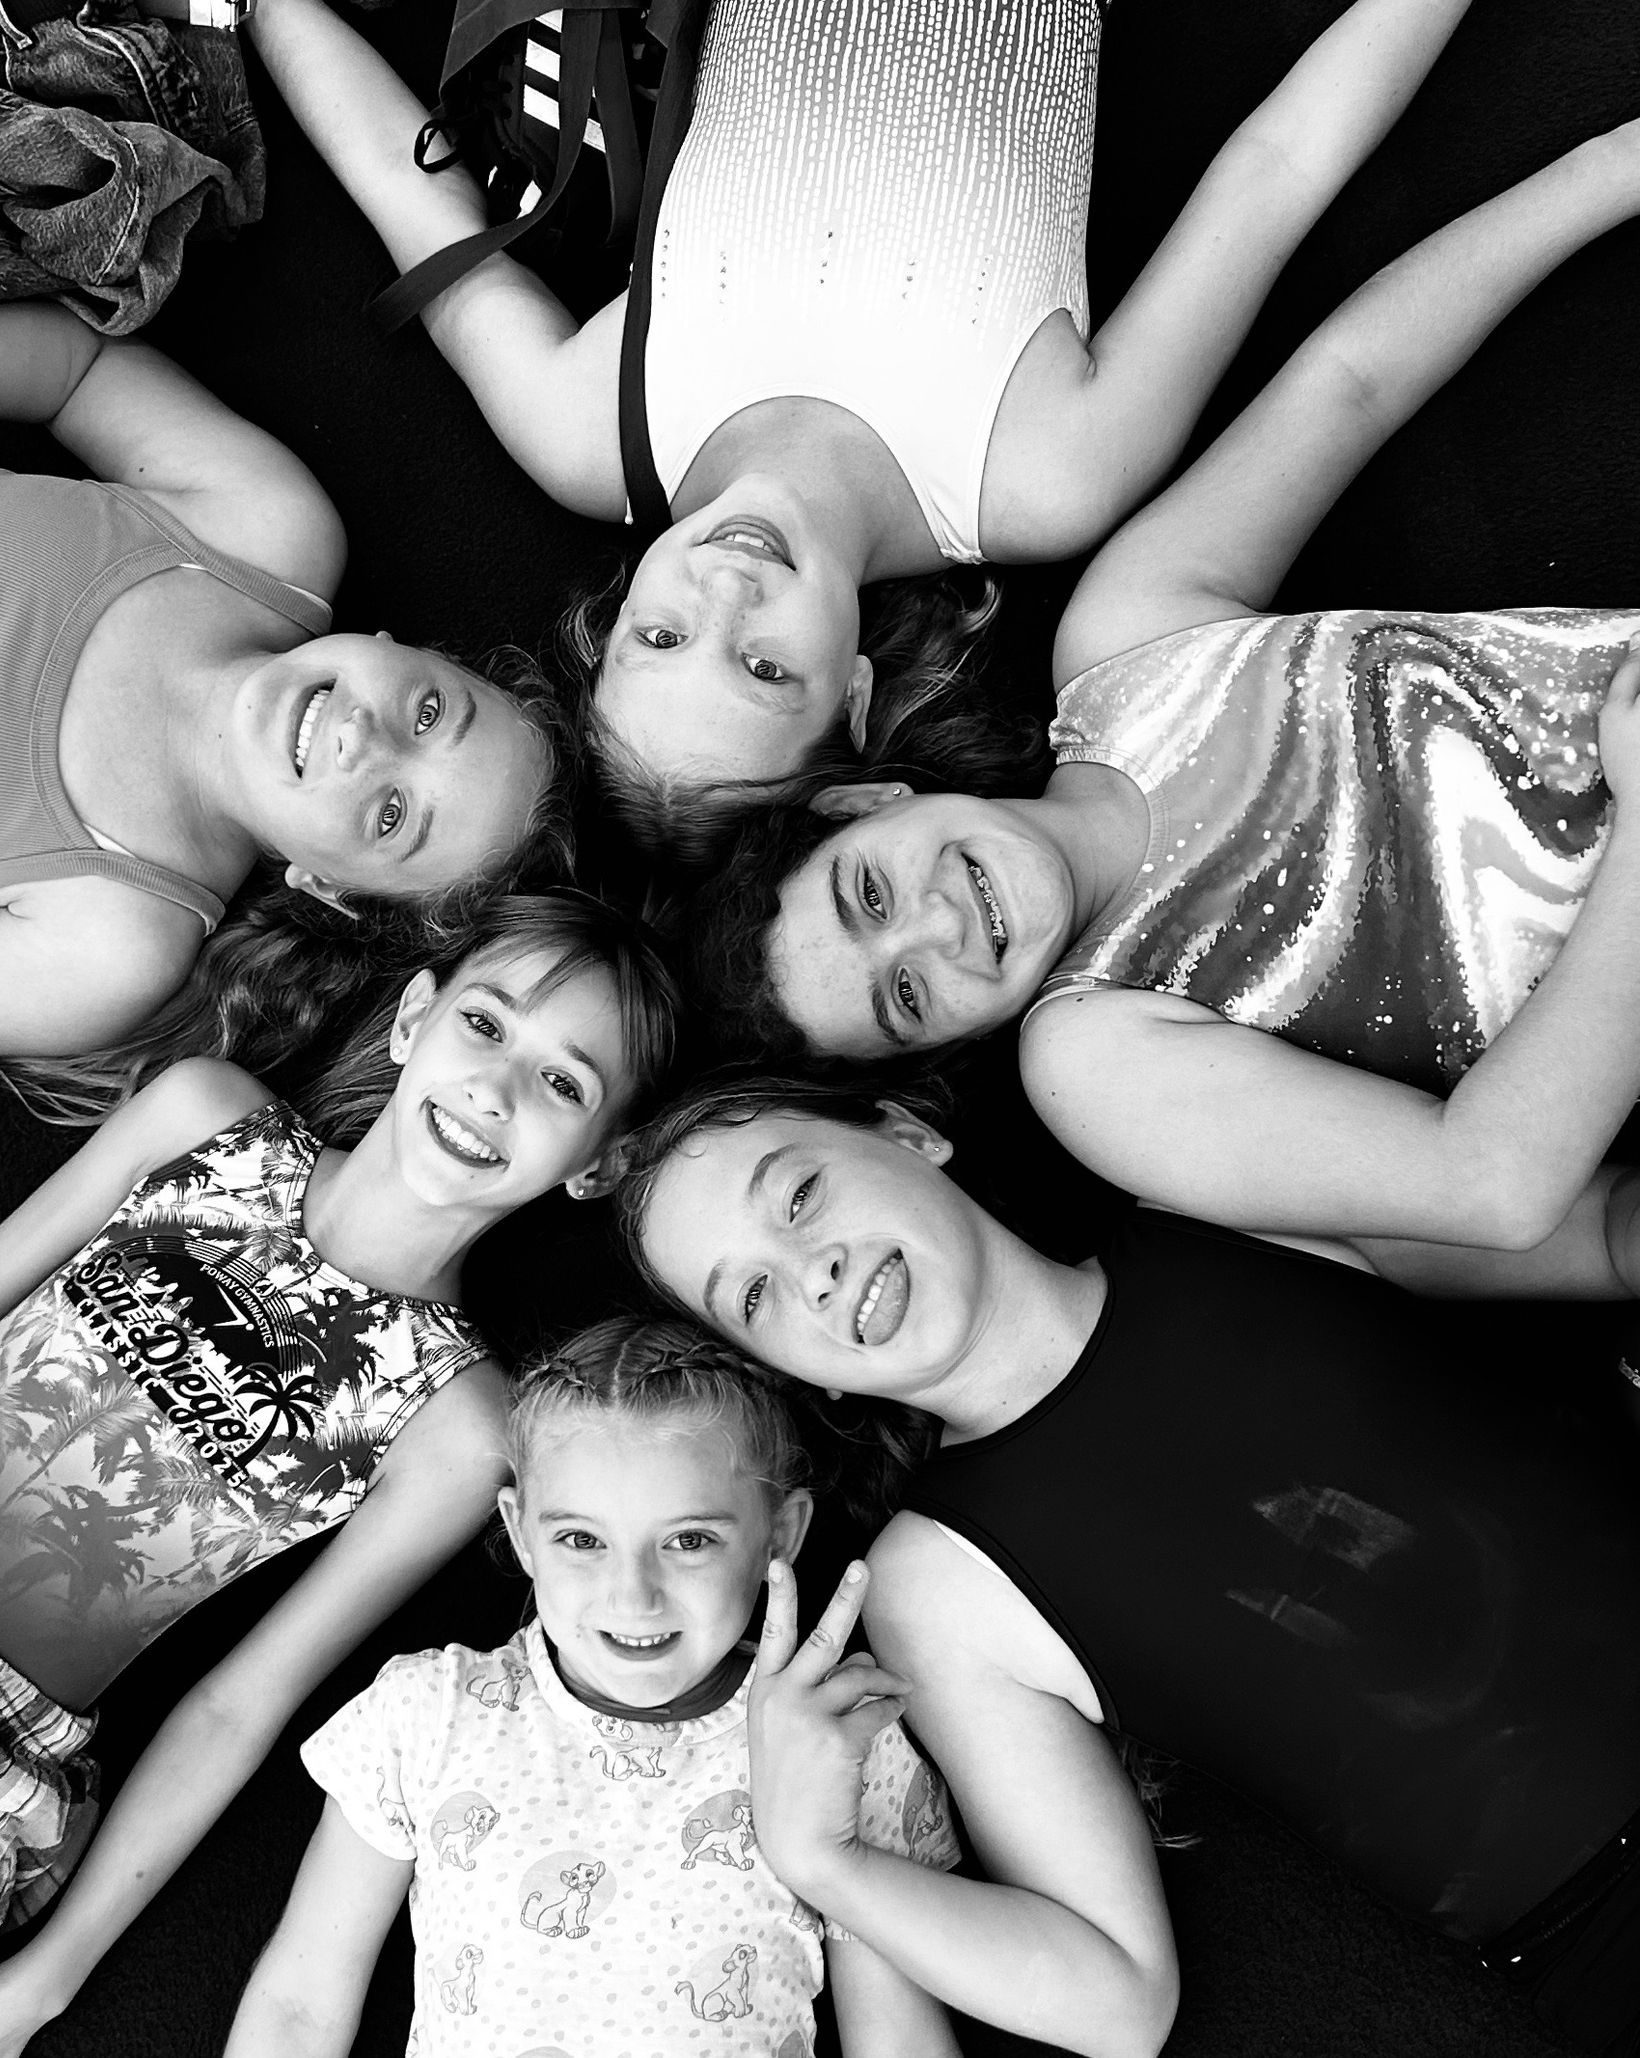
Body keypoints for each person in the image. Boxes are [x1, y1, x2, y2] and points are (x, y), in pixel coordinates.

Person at [0, 891, 678, 2057]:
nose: (497, 1089)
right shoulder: (204, 1120)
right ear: (413, 1017)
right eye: (487, 1025)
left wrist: (37, 1987)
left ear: (599, 1164)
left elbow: (237, 1703)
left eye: (565, 1084)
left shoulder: (460, 1425)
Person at [686, 111, 1640, 1269]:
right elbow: (1491, 1185)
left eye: (871, 898)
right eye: (906, 999)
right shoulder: (1094, 1064)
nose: (939, 932)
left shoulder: (1125, 644)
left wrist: (1609, 169)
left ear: (867, 801)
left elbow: (1352, 382)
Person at [251, 0, 1475, 852]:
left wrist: (255, 9)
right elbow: (1278, 168)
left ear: (608, 622)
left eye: (663, 636)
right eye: (764, 667)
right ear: (852, 699)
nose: (726, 596)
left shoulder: (588, 434)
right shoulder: (1038, 475)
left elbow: (411, 203)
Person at [620, 1075, 1640, 2055]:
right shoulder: (938, 1589)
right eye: (754, 1295)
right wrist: (823, 1862)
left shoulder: (1217, 1201)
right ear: (794, 1375)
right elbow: (1117, 2004)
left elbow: (1603, 1233)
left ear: (904, 1133)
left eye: (799, 1194)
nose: (814, 1273)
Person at [0, 303, 570, 1076]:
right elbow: (75, 368)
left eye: (391, 816)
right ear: (410, 650)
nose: (364, 740)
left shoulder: (118, 938)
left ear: (329, 888)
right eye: (427, 712)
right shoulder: (268, 534)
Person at [222, 1319, 992, 2058]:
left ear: (780, 1534)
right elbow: (300, 2007)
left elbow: (898, 2040)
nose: (634, 1597)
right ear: (522, 1533)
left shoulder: (839, 1741)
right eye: (581, 1540)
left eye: (690, 1540)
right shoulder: (426, 1713)